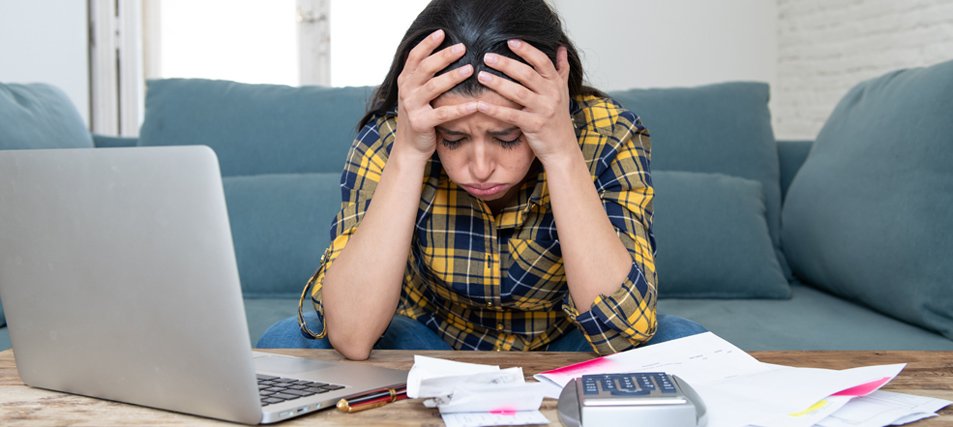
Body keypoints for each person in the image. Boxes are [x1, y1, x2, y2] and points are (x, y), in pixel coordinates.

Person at [258, 0, 706, 360]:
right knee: (286, 342)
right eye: (453, 139)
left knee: (683, 343)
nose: (480, 166)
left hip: (566, 348)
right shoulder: (396, 136)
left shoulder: (608, 132)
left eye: (507, 137)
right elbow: (351, 336)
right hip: (428, 346)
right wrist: (411, 152)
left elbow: (622, 328)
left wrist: (561, 151)